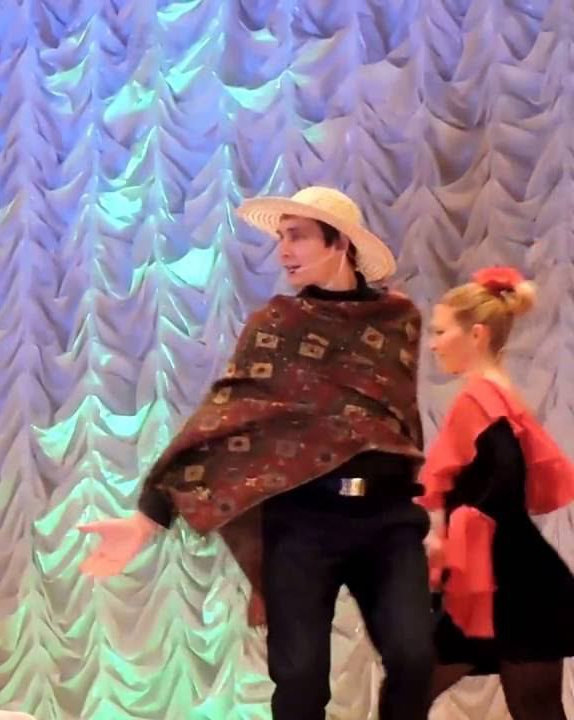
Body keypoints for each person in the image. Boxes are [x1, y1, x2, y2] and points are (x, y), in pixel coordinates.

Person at [78, 186, 434, 720]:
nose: (283, 250)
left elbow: (398, 419)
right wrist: (148, 517)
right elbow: (224, 418)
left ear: (340, 243)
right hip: (304, 520)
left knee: (414, 658)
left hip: (389, 518)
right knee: (299, 680)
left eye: (298, 236)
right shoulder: (276, 323)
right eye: (281, 237)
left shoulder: (397, 319)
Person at [421, 266, 574, 720]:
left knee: (405, 694)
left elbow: (502, 486)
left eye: (441, 332)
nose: (432, 344)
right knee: (537, 708)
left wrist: (451, 533)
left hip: (504, 581)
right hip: (515, 578)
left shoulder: (477, 400)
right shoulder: (504, 397)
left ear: (477, 334)